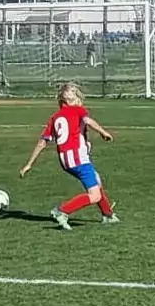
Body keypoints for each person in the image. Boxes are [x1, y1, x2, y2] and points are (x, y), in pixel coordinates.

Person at [18, 82, 117, 230]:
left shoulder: (55, 117)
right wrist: (103, 132)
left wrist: (29, 164)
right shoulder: (78, 110)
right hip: (79, 159)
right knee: (95, 195)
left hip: (65, 161)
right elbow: (88, 121)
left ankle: (108, 214)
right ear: (75, 98)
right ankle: (62, 211)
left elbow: (42, 142)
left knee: (96, 180)